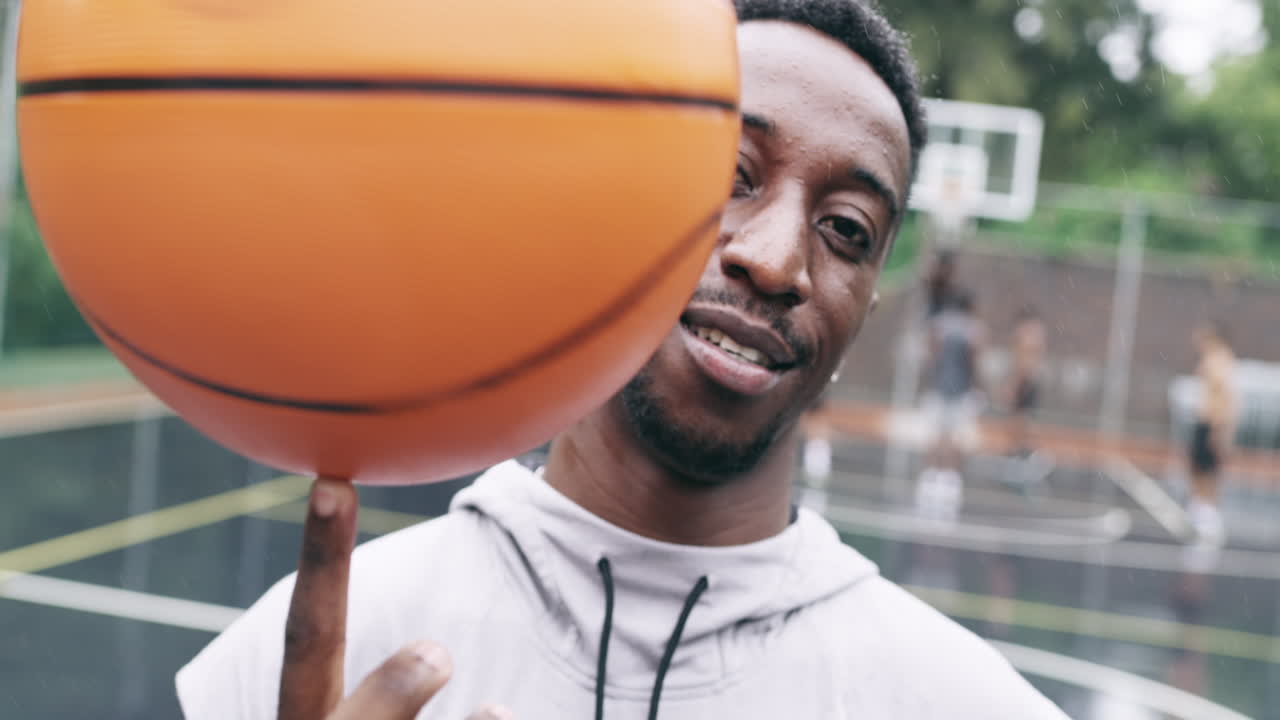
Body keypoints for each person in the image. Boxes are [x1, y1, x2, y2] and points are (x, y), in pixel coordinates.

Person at [177, 2, 1068, 718]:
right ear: (616, 196)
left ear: (867, 305)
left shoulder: (961, 702)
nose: (775, 261)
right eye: (732, 173)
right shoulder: (326, 651)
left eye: (846, 229)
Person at [915, 288, 987, 521]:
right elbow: (975, 360)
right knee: (955, 438)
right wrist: (977, 387)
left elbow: (931, 355)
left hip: (938, 386)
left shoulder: (940, 324)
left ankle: (930, 478)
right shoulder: (973, 329)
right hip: (959, 389)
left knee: (935, 436)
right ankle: (949, 482)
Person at [1186, 320, 1236, 543]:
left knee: (1208, 468)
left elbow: (1225, 396)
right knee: (1198, 465)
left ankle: (1208, 513)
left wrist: (1219, 428)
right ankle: (1199, 506)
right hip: (1205, 419)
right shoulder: (1210, 359)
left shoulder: (1220, 360)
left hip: (1213, 422)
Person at [1005, 304, 1046, 457]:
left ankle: (1022, 449)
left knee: (1020, 417)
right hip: (1033, 377)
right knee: (1027, 416)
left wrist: (1014, 383)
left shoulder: (1025, 333)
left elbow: (1021, 359)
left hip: (1025, 377)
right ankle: (1026, 448)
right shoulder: (1038, 332)